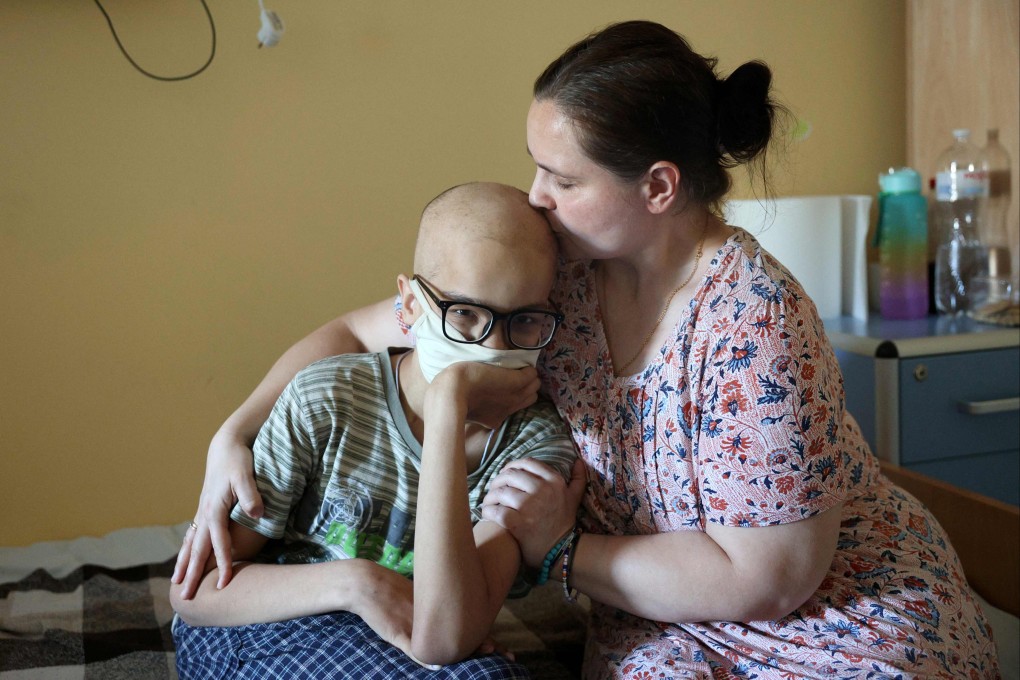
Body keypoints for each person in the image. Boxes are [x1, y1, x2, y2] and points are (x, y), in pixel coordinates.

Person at [174, 21, 1001, 679]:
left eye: (562, 179)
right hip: (657, 624)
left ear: (658, 187)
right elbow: (358, 332)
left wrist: (561, 550)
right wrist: (235, 433)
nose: (536, 197)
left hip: (828, 623)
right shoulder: (557, 277)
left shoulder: (756, 325)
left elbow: (768, 581)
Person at [169, 182, 576, 678]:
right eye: (465, 314)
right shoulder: (326, 398)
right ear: (408, 305)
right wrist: (359, 584)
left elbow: (444, 639)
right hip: (266, 616)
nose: (491, 347)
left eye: (526, 320)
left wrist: (450, 402)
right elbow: (197, 593)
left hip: (411, 634)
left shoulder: (536, 448)